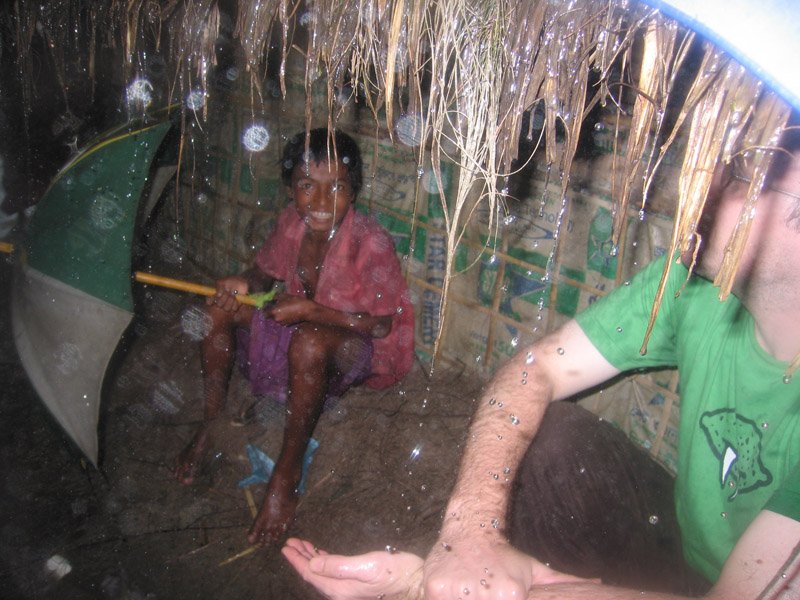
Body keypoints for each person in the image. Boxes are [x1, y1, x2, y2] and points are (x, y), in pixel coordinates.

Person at [282, 125, 800, 598]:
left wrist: (421, 586)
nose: (699, 188)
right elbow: (536, 368)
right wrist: (472, 534)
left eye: (739, 178)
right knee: (552, 437)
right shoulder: (690, 289)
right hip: (682, 549)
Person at [172, 128, 415, 546]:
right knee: (215, 310)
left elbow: (380, 325)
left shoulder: (370, 243)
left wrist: (311, 311)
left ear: (353, 192)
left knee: (310, 339)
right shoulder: (291, 224)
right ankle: (209, 423)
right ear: (290, 189)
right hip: (304, 324)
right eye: (307, 186)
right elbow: (263, 275)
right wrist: (240, 283)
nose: (320, 202)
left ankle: (286, 474)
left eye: (336, 187)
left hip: (353, 345)